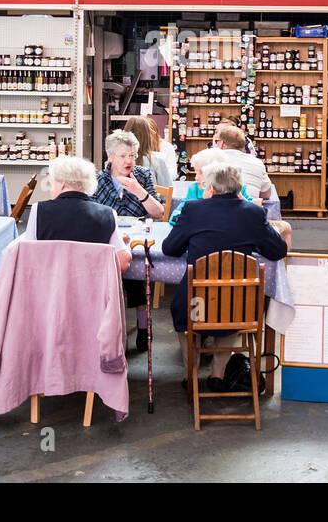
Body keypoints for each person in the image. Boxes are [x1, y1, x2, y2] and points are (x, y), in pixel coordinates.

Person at [162, 161, 287, 389]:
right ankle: (217, 375)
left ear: (210, 188)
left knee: (184, 311)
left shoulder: (193, 209)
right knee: (231, 307)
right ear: (239, 188)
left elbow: (170, 249)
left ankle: (191, 374)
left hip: (195, 304)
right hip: (239, 306)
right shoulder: (254, 212)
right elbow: (278, 251)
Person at [91, 129, 165, 349]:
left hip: (137, 239)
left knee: (138, 270)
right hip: (108, 239)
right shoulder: (97, 180)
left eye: (132, 155)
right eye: (123, 156)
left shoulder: (142, 175)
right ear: (110, 156)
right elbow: (90, 213)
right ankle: (107, 329)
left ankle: (144, 329)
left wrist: (139, 191)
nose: (128, 161)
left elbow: (158, 212)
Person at [20, 156, 131, 272]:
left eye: (52, 184)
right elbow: (123, 264)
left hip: (51, 287)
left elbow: (27, 256)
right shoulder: (107, 214)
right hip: (91, 289)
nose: (51, 189)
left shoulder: (38, 210)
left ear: (62, 184)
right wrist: (120, 243)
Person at [169, 147, 255, 225]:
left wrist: (239, 196)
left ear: (216, 171)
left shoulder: (237, 187)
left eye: (201, 172)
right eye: (196, 172)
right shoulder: (194, 188)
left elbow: (253, 213)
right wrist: (180, 217)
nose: (196, 177)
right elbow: (176, 214)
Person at [212, 122, 274, 203]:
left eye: (217, 141)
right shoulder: (257, 163)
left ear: (222, 144)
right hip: (248, 212)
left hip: (218, 211)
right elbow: (266, 194)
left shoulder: (213, 160)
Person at [123, 115, 173, 188]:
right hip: (149, 199)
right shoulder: (158, 160)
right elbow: (166, 193)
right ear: (148, 136)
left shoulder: (114, 160)